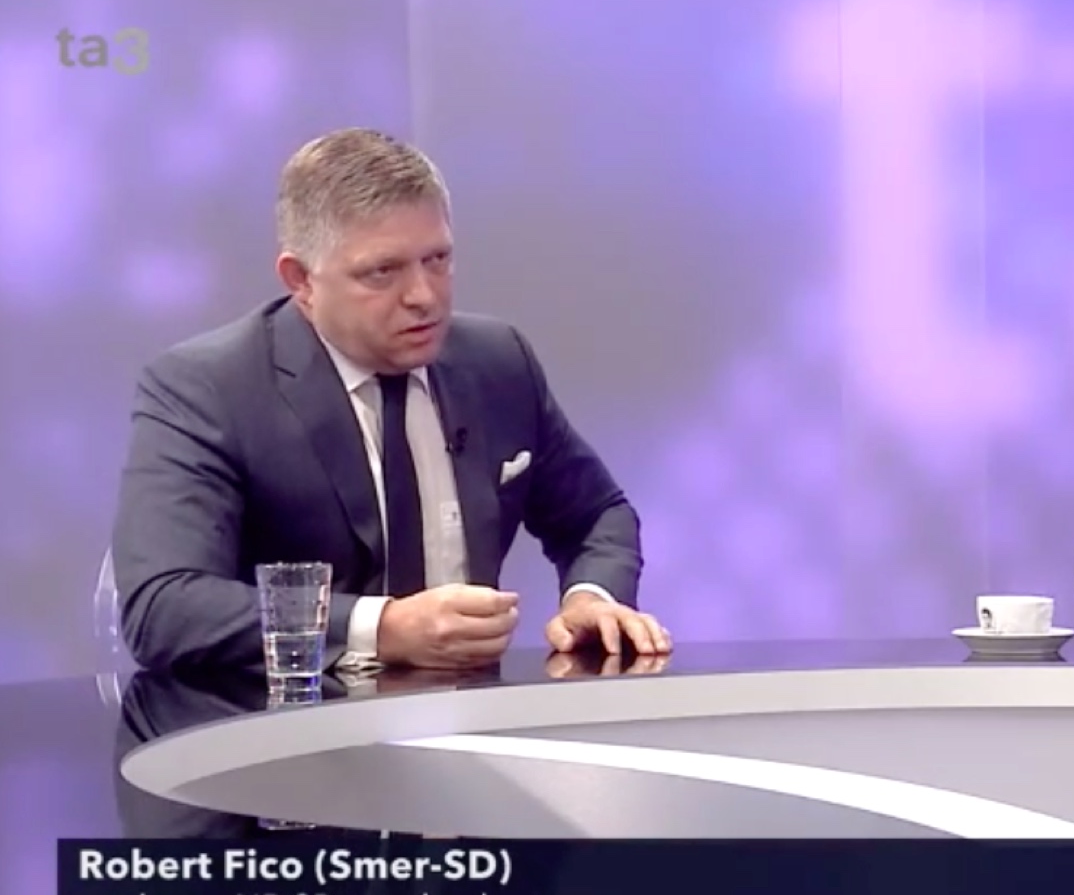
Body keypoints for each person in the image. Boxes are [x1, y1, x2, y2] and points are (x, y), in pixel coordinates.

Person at [111, 127, 671, 672]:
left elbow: (597, 514)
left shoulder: (497, 362)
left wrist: (591, 598)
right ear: (301, 280)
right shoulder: (209, 389)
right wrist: (382, 628)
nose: (424, 296)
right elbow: (163, 606)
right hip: (290, 724)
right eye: (383, 272)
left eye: (438, 259)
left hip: (475, 718)